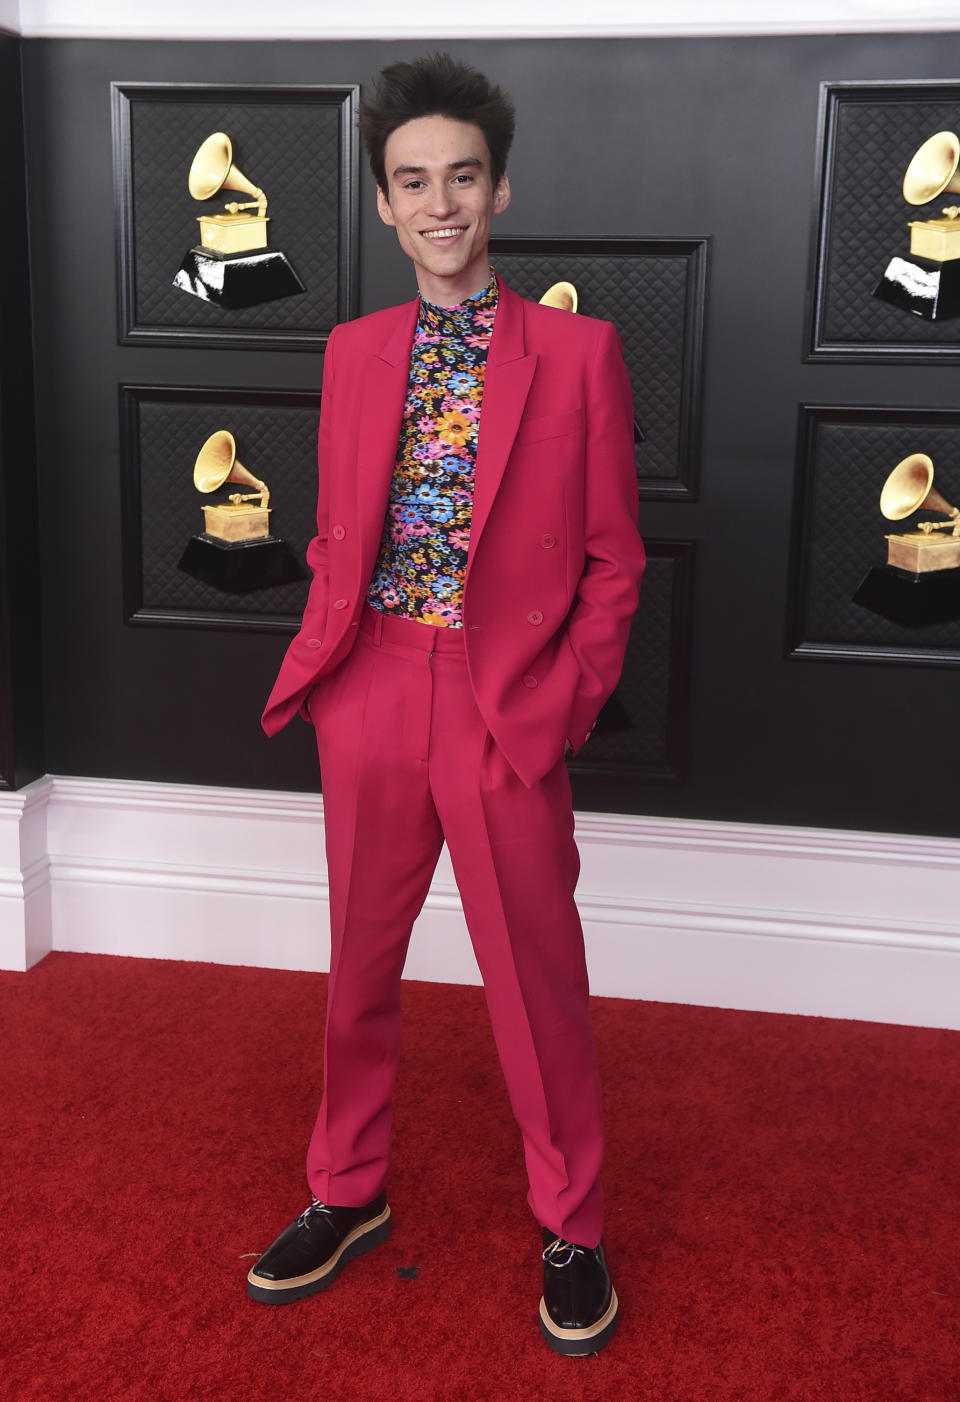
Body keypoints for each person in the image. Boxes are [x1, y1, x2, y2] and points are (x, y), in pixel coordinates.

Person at [249, 52, 645, 1357]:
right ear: (381, 202)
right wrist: (328, 656)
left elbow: (613, 558)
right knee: (359, 968)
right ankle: (346, 1189)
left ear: (498, 187)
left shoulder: (580, 353)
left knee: (536, 978)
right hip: (369, 687)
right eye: (412, 181)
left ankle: (572, 1222)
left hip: (500, 705)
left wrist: (565, 702)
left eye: (460, 177)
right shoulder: (352, 350)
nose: (439, 203)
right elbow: (337, 530)